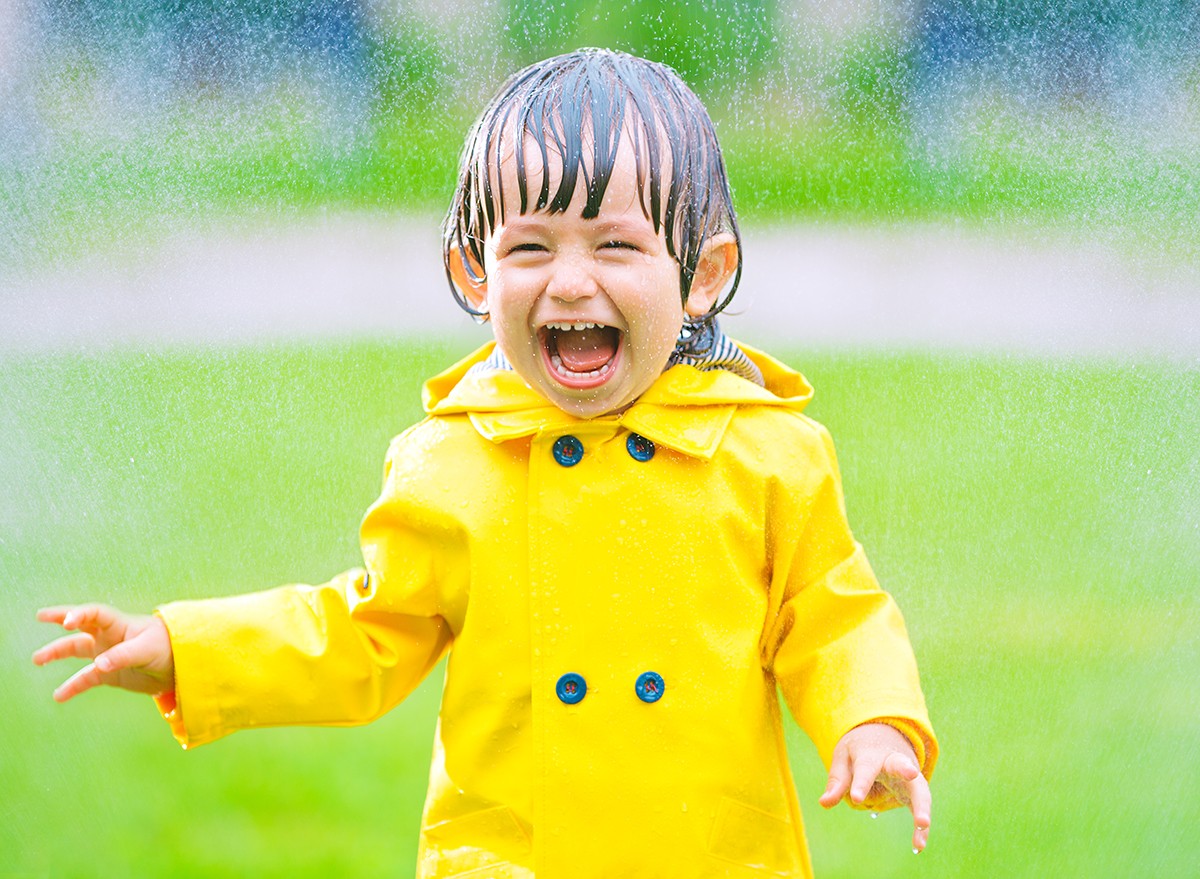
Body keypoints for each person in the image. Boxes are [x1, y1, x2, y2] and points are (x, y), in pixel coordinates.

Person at [33, 49, 936, 878]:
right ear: (475, 274)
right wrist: (190, 650)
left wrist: (873, 718)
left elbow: (832, 616)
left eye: (615, 245)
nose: (571, 281)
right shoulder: (449, 463)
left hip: (706, 853)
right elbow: (362, 632)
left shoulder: (770, 456)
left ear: (702, 275)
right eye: (530, 247)